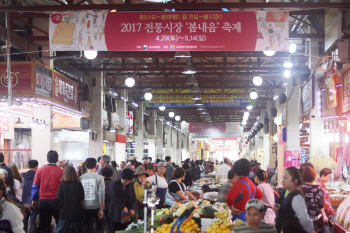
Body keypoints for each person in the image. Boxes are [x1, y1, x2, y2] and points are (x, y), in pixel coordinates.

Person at [31, 150, 63, 233]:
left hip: (43, 201)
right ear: (57, 160)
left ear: (47, 159)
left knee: (44, 225)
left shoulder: (40, 170)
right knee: (60, 223)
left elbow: (35, 187)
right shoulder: (61, 171)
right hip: (57, 201)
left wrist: (34, 199)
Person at [275, 167, 313, 233]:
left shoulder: (297, 197)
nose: (283, 181)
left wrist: (309, 230)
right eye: (283, 178)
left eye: (286, 178)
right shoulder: (291, 195)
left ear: (295, 181)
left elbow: (304, 219)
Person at [53, 166, 85, 233]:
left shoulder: (62, 185)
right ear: (74, 173)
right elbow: (82, 197)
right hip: (77, 213)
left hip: (65, 214)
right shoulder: (78, 185)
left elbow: (58, 199)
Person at [80, 158, 105, 233]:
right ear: (96, 166)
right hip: (97, 207)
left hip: (85, 207)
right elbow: (101, 193)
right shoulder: (100, 177)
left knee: (88, 228)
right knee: (99, 228)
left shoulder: (81, 178)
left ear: (86, 167)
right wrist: (101, 209)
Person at [300, 166, 328, 232]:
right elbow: (320, 204)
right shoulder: (317, 188)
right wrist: (324, 215)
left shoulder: (299, 188)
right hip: (313, 216)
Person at [22, 160, 38, 233]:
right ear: (37, 167)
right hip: (34, 201)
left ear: (28, 166)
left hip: (24, 202)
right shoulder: (38, 176)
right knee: (33, 221)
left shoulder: (22, 176)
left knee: (24, 221)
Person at [101, 166, 113, 233]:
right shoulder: (113, 183)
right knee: (110, 224)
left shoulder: (100, 183)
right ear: (111, 174)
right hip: (111, 206)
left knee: (101, 224)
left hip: (101, 205)